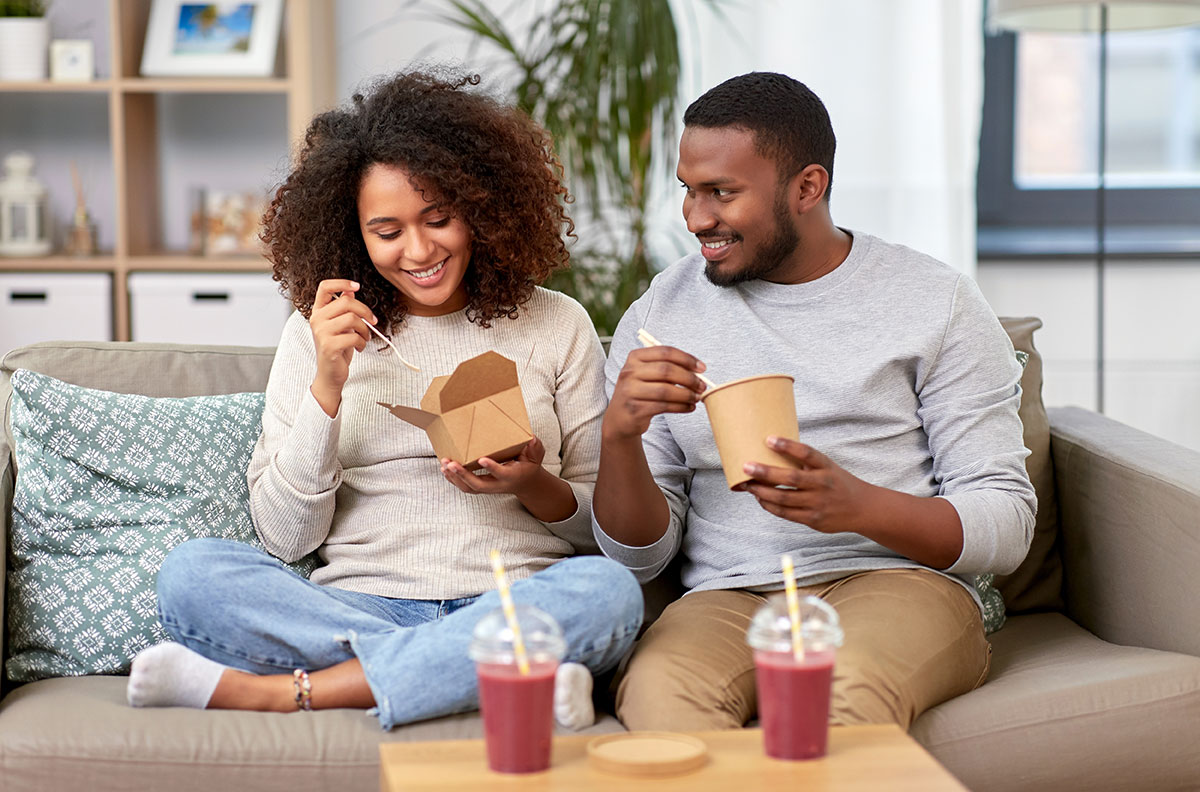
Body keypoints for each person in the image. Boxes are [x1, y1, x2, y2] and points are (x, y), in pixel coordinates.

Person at [126, 69, 642, 730]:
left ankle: (288, 693)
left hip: (516, 593)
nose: (421, 250)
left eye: (439, 218)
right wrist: (329, 387)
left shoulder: (557, 324)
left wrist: (532, 482)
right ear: (353, 233)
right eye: (388, 230)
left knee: (609, 593)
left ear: (480, 207)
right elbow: (285, 538)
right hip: (362, 605)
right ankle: (506, 672)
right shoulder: (315, 335)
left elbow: (601, 532)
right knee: (192, 576)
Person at [592, 72, 1036, 731]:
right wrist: (619, 437)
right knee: (661, 693)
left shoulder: (933, 301)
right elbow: (639, 559)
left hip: (898, 585)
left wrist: (857, 506)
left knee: (843, 689)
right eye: (688, 190)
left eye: (722, 192)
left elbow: (1007, 523)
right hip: (729, 596)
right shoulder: (660, 313)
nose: (696, 218)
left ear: (807, 187)